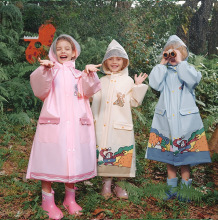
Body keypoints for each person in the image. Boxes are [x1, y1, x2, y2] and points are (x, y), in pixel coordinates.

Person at [26, 34, 101, 219]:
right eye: (58, 48)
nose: (63, 51)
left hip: (75, 125)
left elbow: (89, 90)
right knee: (49, 158)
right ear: (53, 52)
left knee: (72, 159)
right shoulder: (50, 71)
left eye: (67, 48)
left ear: (74, 52)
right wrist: (44, 70)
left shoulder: (79, 74)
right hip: (54, 124)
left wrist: (89, 73)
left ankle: (70, 199)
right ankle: (47, 202)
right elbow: (39, 90)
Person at [145, 35, 211, 200]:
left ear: (182, 55)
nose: (171, 57)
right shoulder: (164, 72)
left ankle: (185, 190)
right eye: (168, 54)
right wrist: (162, 63)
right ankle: (171, 188)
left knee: (185, 155)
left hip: (185, 122)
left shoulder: (189, 70)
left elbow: (192, 79)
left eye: (175, 53)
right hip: (166, 120)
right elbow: (154, 83)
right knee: (169, 155)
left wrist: (180, 61)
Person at [91, 39, 148, 199]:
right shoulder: (101, 81)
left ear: (124, 61)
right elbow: (94, 100)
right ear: (105, 62)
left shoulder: (128, 81)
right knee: (106, 154)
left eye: (118, 59)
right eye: (111, 59)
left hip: (122, 126)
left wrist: (137, 86)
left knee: (121, 154)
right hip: (104, 125)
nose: (114, 62)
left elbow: (134, 103)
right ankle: (106, 186)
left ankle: (120, 186)